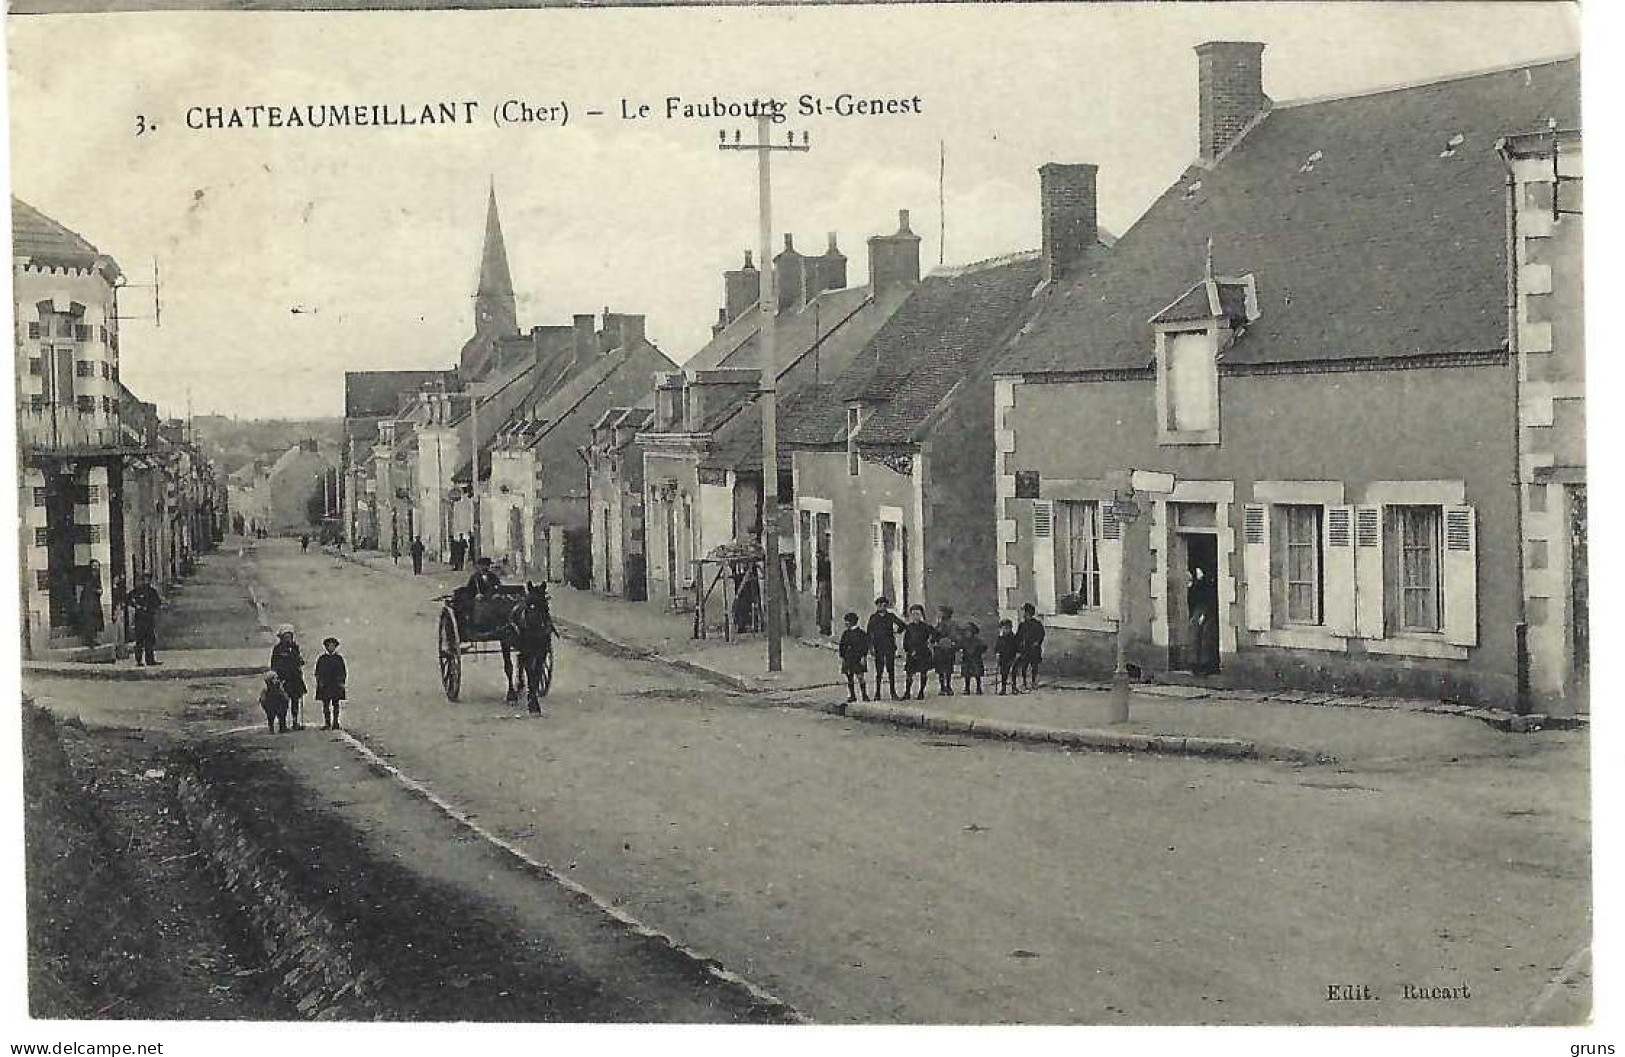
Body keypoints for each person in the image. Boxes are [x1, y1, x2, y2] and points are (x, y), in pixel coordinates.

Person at [866, 597, 906, 701]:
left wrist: (897, 632)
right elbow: (869, 633)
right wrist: (871, 648)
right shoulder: (873, 618)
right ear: (877, 606)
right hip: (878, 646)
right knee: (879, 671)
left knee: (890, 670)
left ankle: (893, 693)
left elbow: (902, 625)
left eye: (884, 605)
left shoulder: (890, 616)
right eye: (880, 605)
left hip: (889, 646)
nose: (882, 607)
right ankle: (877, 693)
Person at [270, 625, 308, 730]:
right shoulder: (277, 649)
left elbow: (298, 659)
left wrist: (300, 662)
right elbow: (274, 664)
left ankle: (295, 722)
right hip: (283, 678)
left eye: (289, 636)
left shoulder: (295, 647)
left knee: (295, 700)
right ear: (281, 637)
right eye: (285, 636)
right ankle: (282, 724)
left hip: (295, 678)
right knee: (282, 702)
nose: (287, 639)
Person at [126, 573, 163, 666]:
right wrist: (137, 606)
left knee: (150, 640)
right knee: (139, 640)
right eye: (145, 579)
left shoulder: (152, 592)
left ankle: (150, 660)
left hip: (149, 618)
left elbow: (158, 602)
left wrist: (151, 607)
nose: (146, 581)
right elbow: (128, 599)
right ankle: (138, 660)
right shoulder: (137, 591)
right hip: (140, 618)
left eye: (148, 580)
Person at [901, 604, 936, 701]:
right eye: (913, 614)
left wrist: (931, 642)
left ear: (921, 615)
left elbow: (935, 634)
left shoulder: (926, 627)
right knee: (909, 673)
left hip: (923, 652)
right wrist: (909, 650)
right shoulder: (909, 627)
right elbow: (906, 641)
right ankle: (907, 692)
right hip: (912, 652)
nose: (915, 616)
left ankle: (921, 692)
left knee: (923, 673)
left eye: (917, 614)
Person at [837, 612, 871, 704]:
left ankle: (864, 694)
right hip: (848, 658)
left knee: (860, 677)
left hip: (858, 658)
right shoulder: (845, 633)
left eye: (847, 622)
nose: (845, 623)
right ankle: (852, 695)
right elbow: (842, 646)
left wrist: (863, 657)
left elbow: (865, 646)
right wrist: (842, 656)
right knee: (849, 677)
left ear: (852, 622)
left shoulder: (861, 633)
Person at [314, 636, 347, 730]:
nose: (331, 647)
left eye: (333, 646)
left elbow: (343, 672)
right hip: (325, 685)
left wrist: (341, 682)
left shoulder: (339, 658)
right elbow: (317, 672)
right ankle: (327, 723)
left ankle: (336, 722)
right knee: (325, 705)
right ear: (326, 647)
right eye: (329, 646)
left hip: (336, 685)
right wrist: (319, 681)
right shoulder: (322, 658)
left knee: (336, 704)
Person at [1016, 602, 1046, 690]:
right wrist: (1019, 646)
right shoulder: (1022, 625)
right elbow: (1018, 636)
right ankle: (1024, 682)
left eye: (1025, 612)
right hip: (1025, 649)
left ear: (1029, 613)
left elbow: (1041, 634)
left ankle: (1034, 682)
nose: (1024, 615)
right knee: (1024, 666)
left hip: (1034, 649)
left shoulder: (1037, 624)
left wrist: (1037, 642)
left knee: (1034, 666)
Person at [932, 605, 960, 696]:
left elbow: (955, 636)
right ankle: (942, 687)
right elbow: (934, 636)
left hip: (948, 649)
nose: (939, 614)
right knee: (940, 669)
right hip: (939, 649)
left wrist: (952, 643)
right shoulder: (938, 624)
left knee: (948, 668)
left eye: (941, 612)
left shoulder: (952, 624)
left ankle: (948, 686)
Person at [77, 560, 105, 648]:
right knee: (89, 621)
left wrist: (100, 591)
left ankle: (94, 639)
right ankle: (90, 641)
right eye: (94, 566)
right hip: (88, 603)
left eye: (97, 566)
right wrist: (96, 591)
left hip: (95, 602)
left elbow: (99, 588)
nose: (96, 568)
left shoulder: (97, 576)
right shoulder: (88, 577)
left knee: (95, 621)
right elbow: (88, 589)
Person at [995, 618, 1021, 695]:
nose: (1005, 630)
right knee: (1004, 673)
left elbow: (1018, 647)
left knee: (1013, 673)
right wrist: (997, 654)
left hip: (1012, 657)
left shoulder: (1014, 638)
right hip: (1003, 658)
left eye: (1007, 628)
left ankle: (1014, 688)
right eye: (1004, 628)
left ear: (1010, 628)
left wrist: (1018, 654)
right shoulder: (1000, 638)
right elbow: (997, 647)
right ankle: (1003, 689)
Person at [960, 622, 987, 696]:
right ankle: (967, 688)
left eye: (969, 632)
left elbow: (984, 647)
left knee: (977, 674)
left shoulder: (978, 640)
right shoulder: (964, 640)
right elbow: (960, 646)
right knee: (967, 675)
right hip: (967, 659)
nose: (967, 633)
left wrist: (979, 651)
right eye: (966, 632)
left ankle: (978, 688)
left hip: (976, 659)